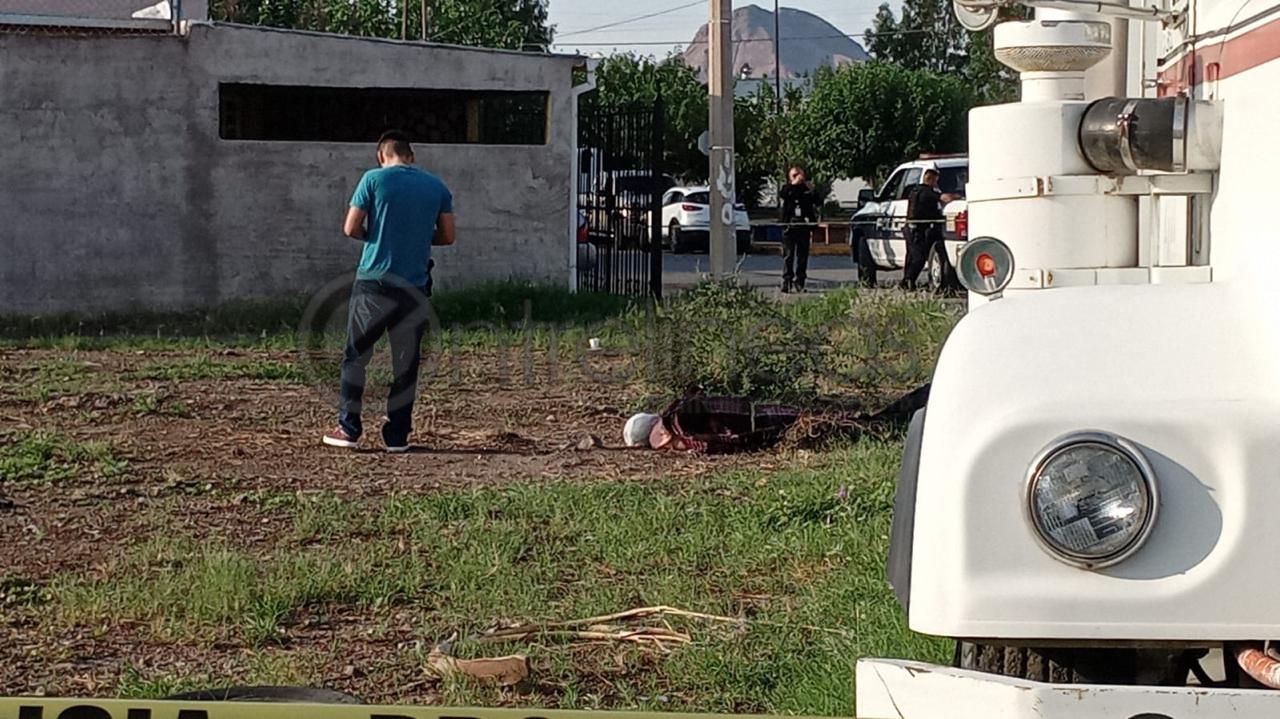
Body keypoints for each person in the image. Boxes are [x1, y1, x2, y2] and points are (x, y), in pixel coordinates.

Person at [323, 130, 456, 453]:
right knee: (406, 363)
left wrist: (377, 236)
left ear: (381, 156)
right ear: (411, 155)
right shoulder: (436, 186)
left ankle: (349, 429)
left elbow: (350, 227)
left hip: (374, 282)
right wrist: (419, 239)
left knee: (356, 357)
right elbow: (448, 236)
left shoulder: (373, 180)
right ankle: (397, 436)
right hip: (414, 286)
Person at [901, 167, 944, 290]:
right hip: (917, 230)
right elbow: (942, 199)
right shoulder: (927, 192)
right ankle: (909, 280)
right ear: (929, 179)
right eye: (935, 180)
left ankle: (907, 282)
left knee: (911, 257)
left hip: (911, 228)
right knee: (919, 258)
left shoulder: (916, 190)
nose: (936, 183)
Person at [778, 166, 819, 293]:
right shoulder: (787, 188)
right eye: (794, 175)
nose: (798, 177)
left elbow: (818, 201)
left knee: (802, 257)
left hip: (804, 227)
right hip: (789, 227)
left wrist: (813, 190)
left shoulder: (806, 189)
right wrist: (794, 184)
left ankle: (800, 282)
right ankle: (787, 281)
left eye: (799, 174)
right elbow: (784, 195)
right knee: (788, 256)